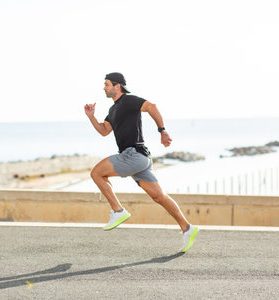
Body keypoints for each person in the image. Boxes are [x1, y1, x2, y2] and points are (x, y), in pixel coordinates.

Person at [84, 72, 199, 252]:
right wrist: (91, 116)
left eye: (107, 84)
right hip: (141, 159)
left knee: (96, 173)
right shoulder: (113, 110)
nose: (104, 88)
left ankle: (118, 210)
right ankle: (187, 227)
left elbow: (151, 107)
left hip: (133, 155)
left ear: (117, 86)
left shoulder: (129, 101)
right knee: (158, 196)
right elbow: (104, 130)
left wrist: (162, 130)